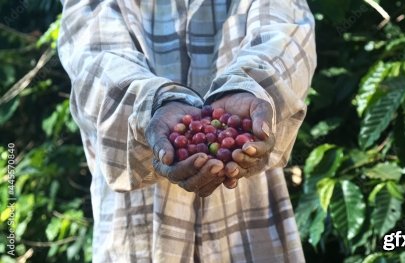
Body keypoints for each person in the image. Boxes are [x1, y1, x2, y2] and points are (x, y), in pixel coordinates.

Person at [57, 0, 316, 262]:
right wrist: (154, 104)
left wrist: (251, 88)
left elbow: (285, 34)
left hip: (247, 217)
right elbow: (95, 60)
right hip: (139, 226)